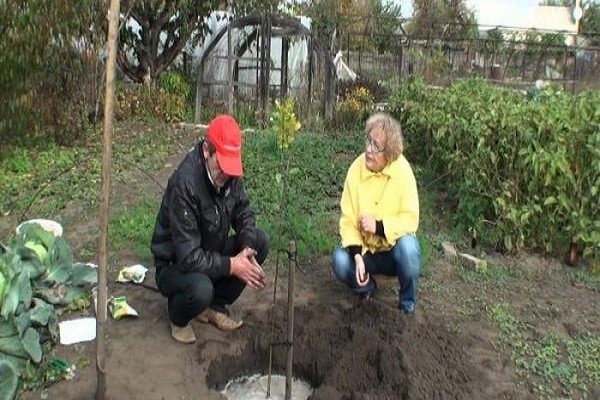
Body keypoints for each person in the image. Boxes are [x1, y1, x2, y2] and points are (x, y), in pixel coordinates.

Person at [151, 114, 269, 343]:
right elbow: (188, 257)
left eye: (231, 167)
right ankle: (179, 316)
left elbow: (244, 212)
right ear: (207, 151)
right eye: (222, 165)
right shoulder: (185, 185)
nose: (227, 174)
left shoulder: (230, 175)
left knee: (259, 241)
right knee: (200, 289)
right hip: (176, 264)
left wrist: (246, 248)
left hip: (210, 247)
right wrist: (232, 265)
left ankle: (213, 306)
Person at [332, 112, 421, 315]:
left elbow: (410, 219)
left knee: (409, 249)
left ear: (389, 155)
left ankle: (407, 305)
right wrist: (356, 256)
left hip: (393, 252)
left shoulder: (403, 172)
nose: (369, 150)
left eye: (376, 147)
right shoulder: (356, 170)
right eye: (368, 141)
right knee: (340, 260)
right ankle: (366, 289)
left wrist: (378, 226)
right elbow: (347, 220)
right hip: (365, 254)